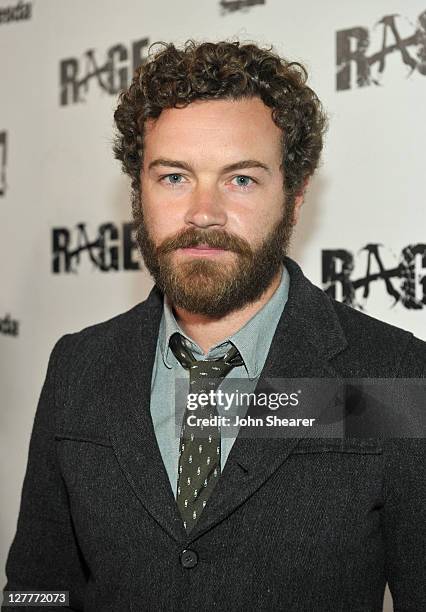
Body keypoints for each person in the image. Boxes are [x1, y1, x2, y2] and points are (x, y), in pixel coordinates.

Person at [3, 39, 425, 612]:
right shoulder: (79, 366)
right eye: (174, 177)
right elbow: (37, 586)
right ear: (138, 192)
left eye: (240, 180)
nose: (203, 212)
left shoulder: (392, 378)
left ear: (295, 197)